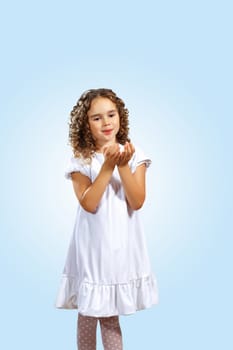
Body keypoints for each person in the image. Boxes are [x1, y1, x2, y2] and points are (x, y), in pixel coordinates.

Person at [55, 88, 159, 349]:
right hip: (91, 246)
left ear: (120, 116)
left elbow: (137, 201)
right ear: (85, 123)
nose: (106, 122)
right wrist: (107, 167)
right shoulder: (81, 159)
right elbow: (89, 203)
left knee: (110, 314)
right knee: (89, 311)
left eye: (111, 114)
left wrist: (122, 164)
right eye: (97, 117)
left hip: (121, 246)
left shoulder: (134, 154)